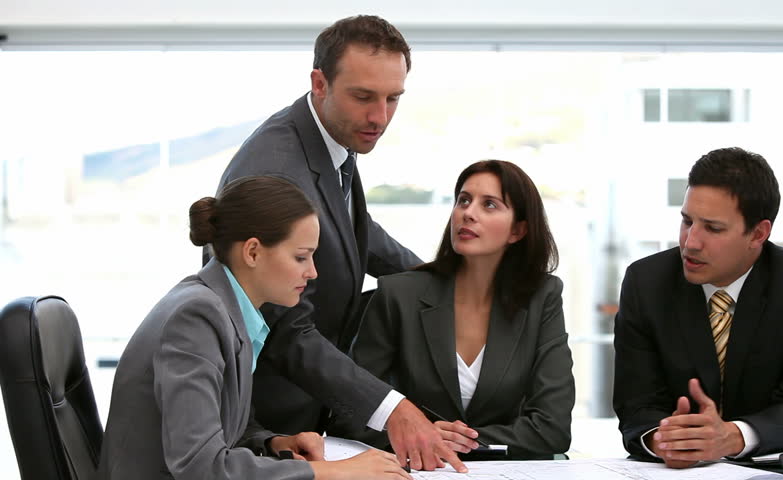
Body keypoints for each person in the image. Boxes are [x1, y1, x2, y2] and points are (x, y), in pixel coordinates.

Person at [213, 15, 463, 472]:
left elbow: (351, 228)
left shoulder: (331, 139)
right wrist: (393, 410)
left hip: (304, 417)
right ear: (320, 83)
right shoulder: (277, 170)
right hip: (258, 431)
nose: (380, 117)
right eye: (364, 97)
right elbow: (287, 331)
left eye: (393, 99)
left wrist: (441, 282)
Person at [100, 176, 412, 480]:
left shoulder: (227, 309)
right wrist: (332, 471)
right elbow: (200, 466)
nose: (313, 272)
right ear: (252, 252)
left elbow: (224, 426)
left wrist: (274, 443)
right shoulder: (196, 317)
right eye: (301, 257)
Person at [613, 147, 783, 468]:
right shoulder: (646, 282)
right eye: (687, 221)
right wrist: (666, 439)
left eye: (713, 228)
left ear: (758, 233)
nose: (691, 242)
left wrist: (732, 435)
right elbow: (636, 404)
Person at [334, 160, 575, 459]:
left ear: (518, 230)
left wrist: (450, 439)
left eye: (489, 205)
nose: (468, 213)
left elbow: (553, 429)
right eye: (463, 200)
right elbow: (349, 414)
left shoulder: (542, 297)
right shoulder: (399, 294)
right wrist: (419, 435)